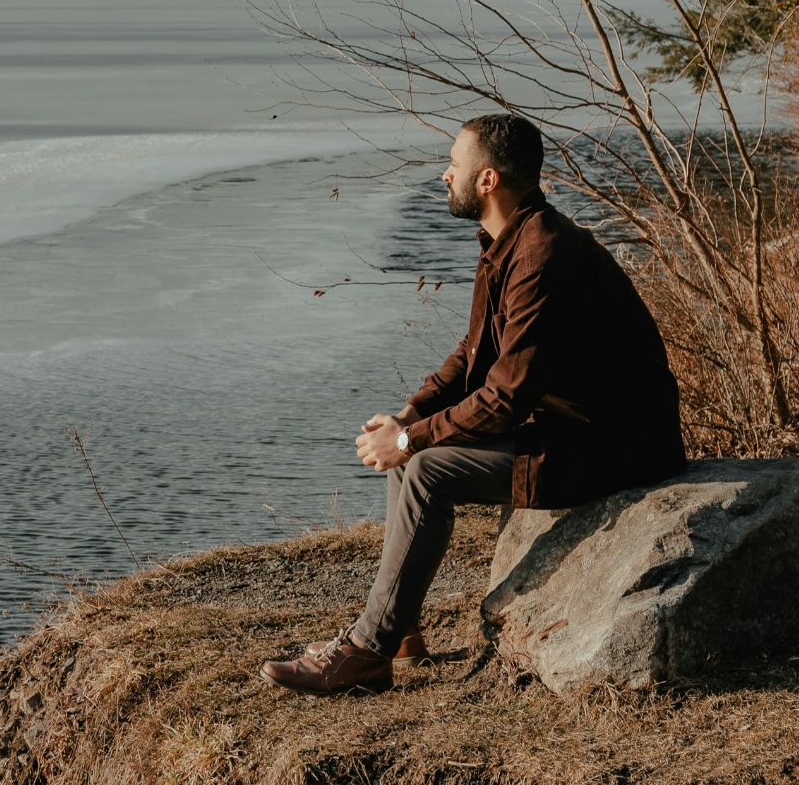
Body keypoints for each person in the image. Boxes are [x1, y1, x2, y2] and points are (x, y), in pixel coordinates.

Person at [259, 114, 686, 696]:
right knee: (414, 456)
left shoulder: (544, 256)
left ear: (487, 180)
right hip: (569, 430)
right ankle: (398, 629)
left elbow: (505, 397)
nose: (444, 174)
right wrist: (411, 416)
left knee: (425, 468)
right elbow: (474, 351)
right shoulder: (509, 242)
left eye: (454, 165)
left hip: (616, 447)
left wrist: (412, 440)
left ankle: (364, 653)